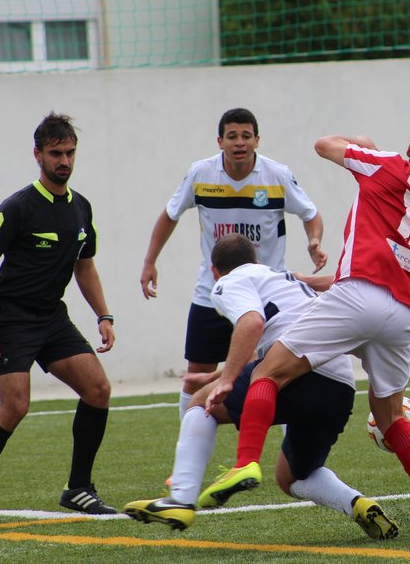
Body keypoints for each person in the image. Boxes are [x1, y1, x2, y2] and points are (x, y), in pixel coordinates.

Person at [201, 114, 410, 538]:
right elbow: (386, 259)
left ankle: (245, 463)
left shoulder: (385, 164)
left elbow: (323, 144)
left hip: (358, 297)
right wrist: (311, 281)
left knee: (267, 374)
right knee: (391, 418)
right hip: (403, 314)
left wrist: (362, 142)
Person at [123, 234, 397, 539]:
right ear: (256, 260)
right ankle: (357, 503)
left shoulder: (229, 281)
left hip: (295, 372)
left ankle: (181, 500)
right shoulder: (282, 278)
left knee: (200, 403)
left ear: (215, 272)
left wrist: (226, 380)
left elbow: (251, 323)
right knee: (292, 476)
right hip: (340, 386)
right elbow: (263, 350)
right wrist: (222, 375)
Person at [0, 113, 117, 525]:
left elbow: (85, 267)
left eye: (70, 153)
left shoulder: (81, 207)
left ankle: (79, 489)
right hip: (10, 319)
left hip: (52, 318)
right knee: (15, 406)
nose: (64, 161)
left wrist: (103, 315)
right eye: (56, 153)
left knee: (98, 389)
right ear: (38, 155)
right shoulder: (17, 208)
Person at [139, 108, 327, 419]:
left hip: (268, 295)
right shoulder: (201, 174)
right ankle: (187, 444)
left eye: (246, 136)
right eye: (232, 136)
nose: (239, 142)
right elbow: (170, 214)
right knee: (197, 373)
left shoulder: (277, 176)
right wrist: (150, 261)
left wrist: (314, 241)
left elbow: (310, 214)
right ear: (220, 142)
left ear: (257, 140)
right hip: (213, 292)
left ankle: (291, 445)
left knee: (282, 370)